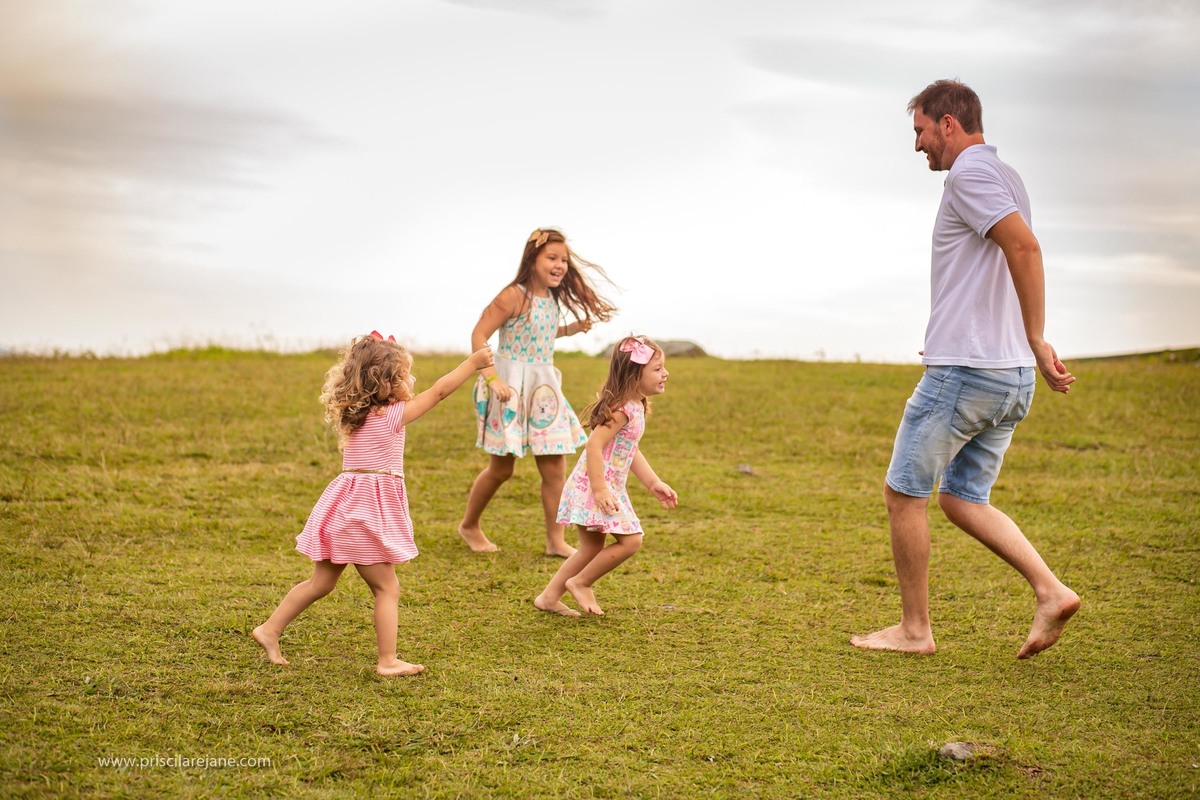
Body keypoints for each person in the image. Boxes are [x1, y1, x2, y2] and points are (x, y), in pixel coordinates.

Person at [851, 79, 1081, 659]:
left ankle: (914, 630)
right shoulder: (1007, 175)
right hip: (1009, 377)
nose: (917, 144)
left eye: (921, 131)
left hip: (968, 372)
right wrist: (1025, 347)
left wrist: (1037, 337)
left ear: (948, 124)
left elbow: (1024, 248)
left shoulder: (970, 175)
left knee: (903, 494)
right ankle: (1051, 591)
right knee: (962, 498)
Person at [254, 332, 493, 676]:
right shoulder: (392, 415)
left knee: (320, 583)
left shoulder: (355, 416)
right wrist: (472, 363)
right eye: (406, 374)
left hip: (342, 510)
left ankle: (270, 629)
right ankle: (388, 661)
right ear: (386, 383)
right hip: (364, 515)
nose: (413, 380)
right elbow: (439, 392)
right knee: (386, 587)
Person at [458, 227, 617, 556]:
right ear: (533, 259)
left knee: (555, 468)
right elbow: (478, 335)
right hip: (509, 388)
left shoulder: (551, 298)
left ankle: (555, 541)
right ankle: (469, 525)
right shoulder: (512, 296)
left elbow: (538, 331)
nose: (560, 265)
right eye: (552, 258)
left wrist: (571, 329)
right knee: (502, 469)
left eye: (564, 260)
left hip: (543, 391)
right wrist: (492, 379)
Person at [534, 336, 677, 616]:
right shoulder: (622, 409)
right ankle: (581, 582)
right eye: (657, 369)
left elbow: (630, 449)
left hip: (600, 486)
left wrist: (653, 483)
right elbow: (594, 445)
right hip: (595, 487)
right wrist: (600, 490)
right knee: (631, 541)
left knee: (590, 549)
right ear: (634, 375)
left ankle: (548, 598)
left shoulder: (636, 405)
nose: (665, 374)